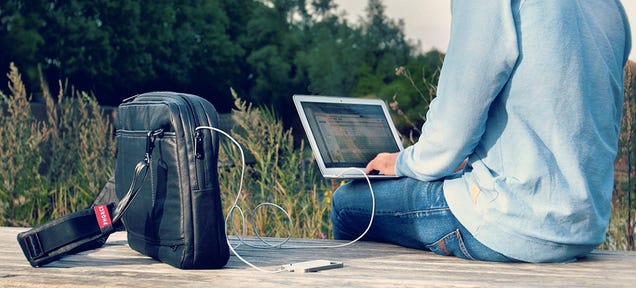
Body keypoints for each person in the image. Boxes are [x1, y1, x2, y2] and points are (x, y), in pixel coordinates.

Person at [330, 0, 632, 263]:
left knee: (348, 203)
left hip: (512, 221)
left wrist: (403, 162)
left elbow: (455, 121)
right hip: (583, 228)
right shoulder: (609, 6)